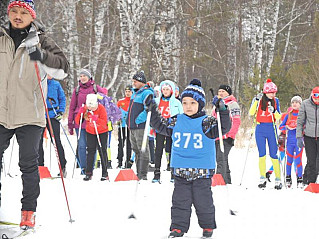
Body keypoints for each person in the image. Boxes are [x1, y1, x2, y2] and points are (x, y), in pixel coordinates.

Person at [0, 0, 69, 229]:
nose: (17, 16)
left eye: (23, 12)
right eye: (14, 11)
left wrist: (40, 55)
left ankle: (28, 212)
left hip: (30, 113)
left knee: (28, 165)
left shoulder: (42, 40)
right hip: (2, 112)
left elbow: (62, 70)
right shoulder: (1, 36)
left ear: (32, 16)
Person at [145, 79, 231, 238]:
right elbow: (160, 126)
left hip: (202, 171)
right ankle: (177, 228)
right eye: (184, 103)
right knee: (179, 202)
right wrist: (152, 110)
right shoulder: (177, 120)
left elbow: (224, 127)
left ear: (200, 104)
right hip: (181, 170)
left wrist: (223, 110)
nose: (188, 106)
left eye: (192, 103)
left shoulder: (207, 122)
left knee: (203, 202)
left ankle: (207, 227)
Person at [68, 69, 104, 174]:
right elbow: (72, 107)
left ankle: (90, 167)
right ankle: (83, 167)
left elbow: (104, 98)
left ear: (89, 77)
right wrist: (70, 123)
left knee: (91, 146)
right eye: (81, 76)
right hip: (80, 120)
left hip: (92, 121)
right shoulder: (77, 90)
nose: (82, 78)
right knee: (82, 145)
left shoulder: (95, 88)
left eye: (85, 76)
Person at [249, 79, 282, 189]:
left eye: (274, 92)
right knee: (262, 154)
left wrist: (274, 111)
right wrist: (256, 101)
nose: (273, 94)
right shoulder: (258, 99)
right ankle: (262, 178)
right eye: (271, 92)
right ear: (265, 92)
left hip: (271, 129)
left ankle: (278, 179)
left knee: (274, 154)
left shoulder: (276, 101)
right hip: (260, 128)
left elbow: (278, 117)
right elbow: (251, 113)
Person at [152, 80, 183, 183]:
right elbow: (151, 115)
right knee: (158, 150)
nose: (165, 91)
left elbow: (181, 115)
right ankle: (156, 174)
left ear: (172, 91)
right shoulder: (156, 101)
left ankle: (173, 173)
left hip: (172, 128)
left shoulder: (177, 102)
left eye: (167, 89)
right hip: (160, 128)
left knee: (171, 150)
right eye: (163, 89)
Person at [126, 71, 153, 180]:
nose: (133, 83)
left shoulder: (147, 93)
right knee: (136, 149)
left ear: (141, 81)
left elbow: (148, 109)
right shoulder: (135, 93)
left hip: (140, 126)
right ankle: (138, 172)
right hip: (132, 126)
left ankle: (143, 174)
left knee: (143, 150)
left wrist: (137, 120)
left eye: (135, 81)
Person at [38, 75, 67, 176]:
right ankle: (39, 166)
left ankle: (63, 166)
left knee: (56, 140)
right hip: (40, 115)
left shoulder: (56, 84)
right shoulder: (39, 83)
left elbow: (62, 98)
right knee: (38, 141)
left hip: (52, 115)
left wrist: (61, 111)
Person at [75, 94, 109, 181]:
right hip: (90, 132)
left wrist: (96, 119)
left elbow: (104, 122)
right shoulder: (85, 108)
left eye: (92, 107)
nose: (91, 109)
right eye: (89, 107)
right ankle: (88, 173)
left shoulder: (101, 108)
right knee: (90, 151)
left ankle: (105, 173)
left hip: (102, 132)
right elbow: (78, 122)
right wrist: (80, 113)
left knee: (102, 151)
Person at [212, 85, 241, 184]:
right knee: (222, 159)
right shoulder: (217, 104)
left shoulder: (232, 104)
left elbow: (236, 121)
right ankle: (227, 180)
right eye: (219, 91)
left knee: (221, 159)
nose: (220, 93)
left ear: (228, 93)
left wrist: (231, 135)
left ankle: (219, 180)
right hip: (217, 136)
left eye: (223, 91)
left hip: (226, 137)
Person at [296, 87, 319, 185]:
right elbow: (300, 121)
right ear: (312, 95)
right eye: (315, 97)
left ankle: (310, 180)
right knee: (311, 160)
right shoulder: (305, 104)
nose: (317, 99)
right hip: (309, 136)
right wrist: (299, 137)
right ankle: (310, 182)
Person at [280, 96, 303, 188]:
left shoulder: (302, 114)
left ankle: (300, 179)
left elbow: (305, 126)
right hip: (289, 141)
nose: (294, 104)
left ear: (300, 105)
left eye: (297, 102)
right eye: (293, 102)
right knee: (289, 160)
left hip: (299, 140)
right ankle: (288, 178)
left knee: (298, 160)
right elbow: (281, 126)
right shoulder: (288, 115)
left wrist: (300, 128)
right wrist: (287, 127)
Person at [116, 86, 133, 168]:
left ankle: (128, 162)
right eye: (126, 91)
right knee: (121, 143)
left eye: (129, 91)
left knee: (129, 144)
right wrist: (118, 118)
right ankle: (119, 161)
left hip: (130, 125)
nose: (127, 93)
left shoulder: (134, 101)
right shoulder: (120, 102)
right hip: (122, 125)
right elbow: (116, 112)